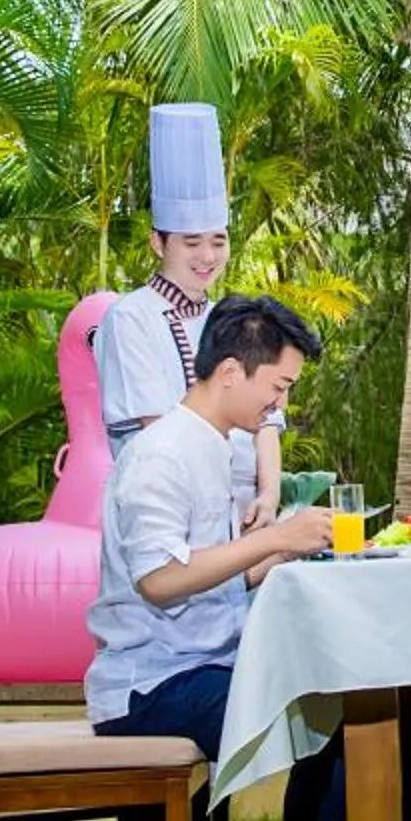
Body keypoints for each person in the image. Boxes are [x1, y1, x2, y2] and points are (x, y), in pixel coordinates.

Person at [87, 293, 354, 821]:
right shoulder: (161, 456)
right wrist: (271, 540)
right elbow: (159, 581)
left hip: (193, 662)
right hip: (149, 687)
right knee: (325, 726)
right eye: (279, 386)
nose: (278, 405)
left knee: (347, 704)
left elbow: (209, 577)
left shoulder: (212, 448)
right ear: (232, 371)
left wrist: (284, 552)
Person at [96, 101, 285, 533]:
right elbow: (157, 429)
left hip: (243, 513)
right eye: (192, 242)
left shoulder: (234, 316)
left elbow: (268, 418)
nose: (207, 257)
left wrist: (269, 496)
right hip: (164, 508)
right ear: (158, 244)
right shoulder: (129, 318)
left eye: (218, 242)